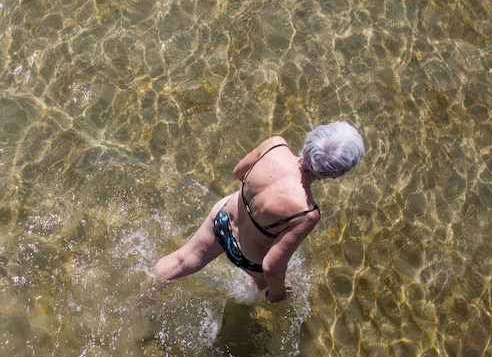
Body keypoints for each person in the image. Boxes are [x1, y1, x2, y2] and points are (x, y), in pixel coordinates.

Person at [153, 121, 364, 303]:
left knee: (182, 261)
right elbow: (272, 265)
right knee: (257, 288)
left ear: (311, 137)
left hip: (223, 219)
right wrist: (278, 292)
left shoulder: (275, 145)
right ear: (337, 174)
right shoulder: (307, 213)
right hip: (248, 256)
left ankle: (141, 297)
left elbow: (239, 172)